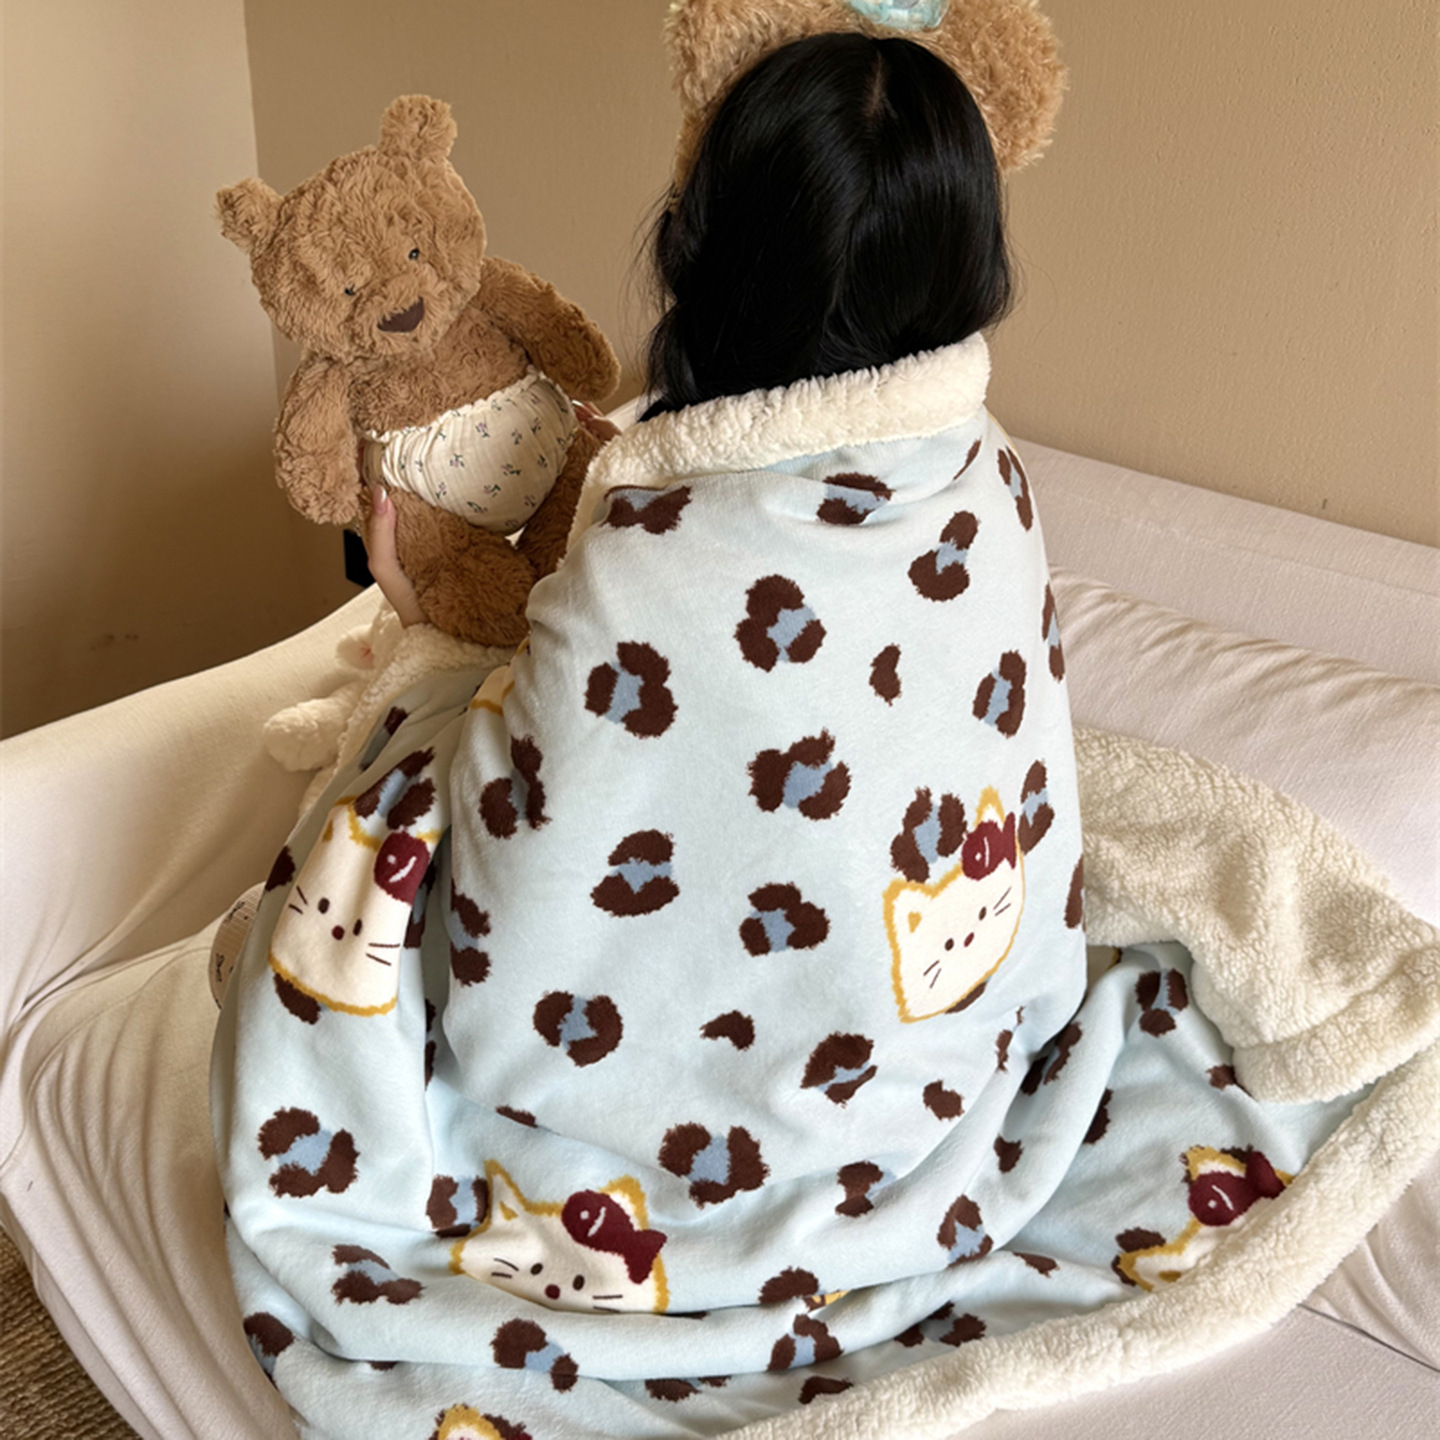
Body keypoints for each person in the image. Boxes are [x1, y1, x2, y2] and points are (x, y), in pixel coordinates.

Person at [216, 28, 1089, 1433]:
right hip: (938, 1075)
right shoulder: (990, 477)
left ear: (706, 250)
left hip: (692, 1117)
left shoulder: (658, 545)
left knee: (351, 866)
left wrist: (428, 640)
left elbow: (519, 879)